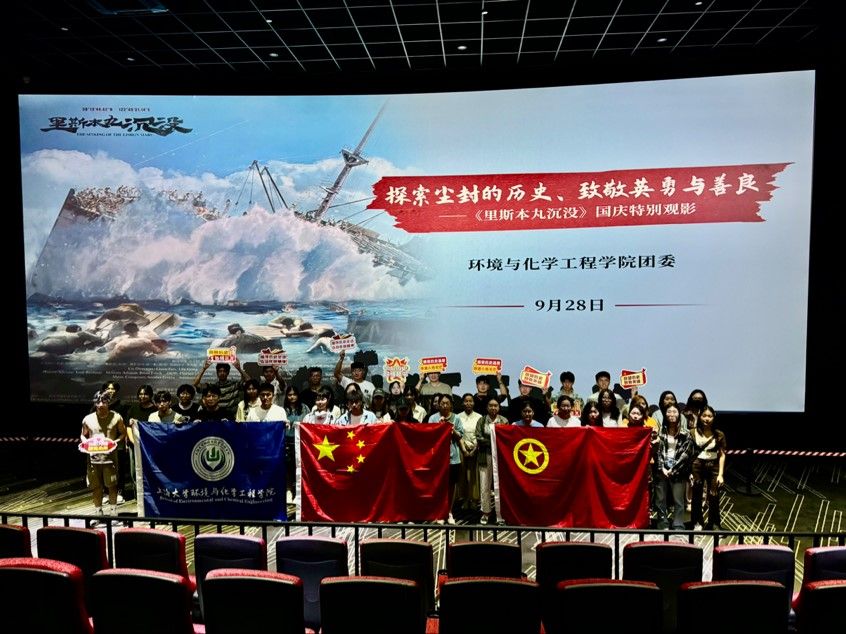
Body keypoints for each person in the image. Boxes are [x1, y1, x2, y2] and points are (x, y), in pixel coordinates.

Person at [81, 391, 127, 527]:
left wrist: (114, 443)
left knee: (112, 486)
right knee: (96, 487)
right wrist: (85, 442)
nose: (101, 404)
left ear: (109, 402)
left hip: (110, 459)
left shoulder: (116, 417)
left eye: (104, 402)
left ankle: (114, 514)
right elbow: (83, 434)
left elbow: (123, 433)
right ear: (94, 403)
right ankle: (98, 514)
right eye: (98, 402)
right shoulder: (87, 419)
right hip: (93, 459)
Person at [654, 403, 692, 530]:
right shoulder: (660, 431)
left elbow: (685, 455)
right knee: (660, 499)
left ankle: (678, 524)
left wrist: (673, 469)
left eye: (674, 412)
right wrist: (662, 468)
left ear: (679, 414)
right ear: (665, 414)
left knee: (678, 500)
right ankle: (662, 523)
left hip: (678, 469)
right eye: (669, 412)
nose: (671, 414)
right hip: (662, 468)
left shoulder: (686, 433)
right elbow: (658, 452)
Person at [427, 393, 464, 524]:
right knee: (438, 486)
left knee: (451, 486)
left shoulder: (456, 418)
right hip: (437, 458)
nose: (444, 405)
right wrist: (439, 427)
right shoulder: (432, 418)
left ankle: (449, 512)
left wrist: (451, 429)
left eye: (447, 403)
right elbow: (429, 436)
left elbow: (460, 436)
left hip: (453, 458)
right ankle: (439, 512)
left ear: (451, 405)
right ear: (438, 405)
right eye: (442, 403)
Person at [690, 405, 727, 531]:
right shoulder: (692, 432)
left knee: (714, 495)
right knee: (696, 495)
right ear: (699, 417)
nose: (707, 418)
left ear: (714, 418)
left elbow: (722, 455)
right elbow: (689, 453)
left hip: (714, 466)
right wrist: (689, 471)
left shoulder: (719, 434)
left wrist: (721, 474)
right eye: (704, 415)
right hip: (697, 465)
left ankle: (714, 524)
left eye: (710, 416)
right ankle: (697, 522)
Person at [475, 397, 509, 524]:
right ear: (487, 407)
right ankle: (486, 512)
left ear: (499, 407)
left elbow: (506, 440)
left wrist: (491, 441)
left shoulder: (504, 421)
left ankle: (500, 514)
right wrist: (494, 441)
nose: (493, 408)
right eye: (491, 405)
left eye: (495, 405)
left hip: (500, 458)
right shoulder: (482, 420)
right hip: (485, 456)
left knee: (499, 486)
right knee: (484, 485)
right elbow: (479, 438)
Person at [281, 386, 310, 503]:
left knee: (299, 467)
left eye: (294, 394)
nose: (292, 397)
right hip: (286, 441)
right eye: (289, 395)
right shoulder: (283, 409)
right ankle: (288, 491)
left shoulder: (305, 408)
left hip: (301, 442)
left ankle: (299, 492)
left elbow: (308, 424)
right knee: (288, 468)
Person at [456, 393, 481, 510]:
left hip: (476, 449)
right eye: (466, 401)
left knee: (474, 476)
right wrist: (464, 448)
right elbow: (458, 434)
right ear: (462, 403)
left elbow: (480, 434)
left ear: (474, 403)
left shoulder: (479, 417)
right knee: (463, 475)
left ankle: (474, 499)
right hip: (462, 449)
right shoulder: (458, 417)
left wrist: (474, 448)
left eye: (471, 401)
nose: (468, 403)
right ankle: (465, 499)